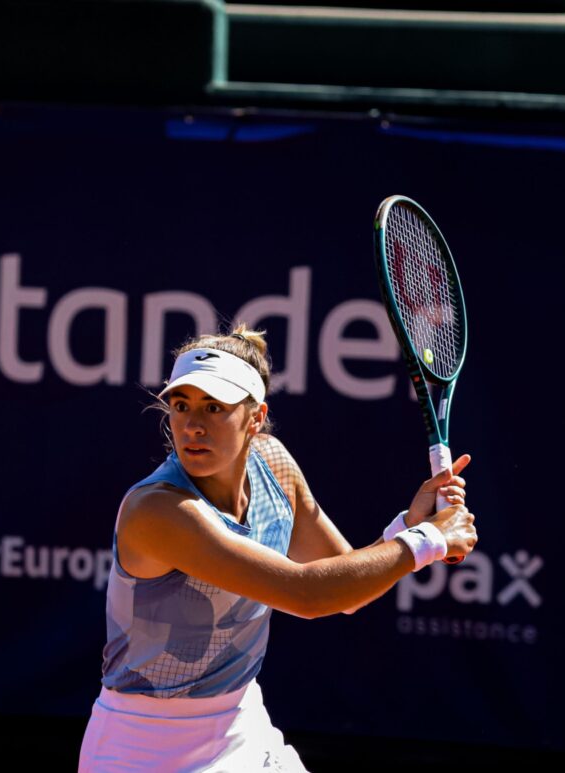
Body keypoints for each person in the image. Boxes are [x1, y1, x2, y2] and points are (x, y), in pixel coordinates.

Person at [78, 325, 477, 772]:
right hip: (143, 747)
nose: (192, 425)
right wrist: (430, 538)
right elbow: (307, 594)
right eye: (180, 405)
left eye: (214, 408)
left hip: (241, 726)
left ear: (255, 417)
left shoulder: (274, 464)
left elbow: (343, 584)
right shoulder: (158, 511)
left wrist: (409, 525)